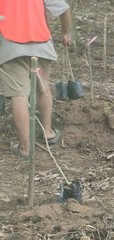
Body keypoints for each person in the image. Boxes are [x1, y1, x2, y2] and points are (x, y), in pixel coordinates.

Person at [0, 0, 71, 158]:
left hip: (11, 47)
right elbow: (64, 9)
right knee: (43, 88)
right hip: (41, 45)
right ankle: (48, 133)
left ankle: (26, 148)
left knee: (19, 95)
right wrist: (65, 33)